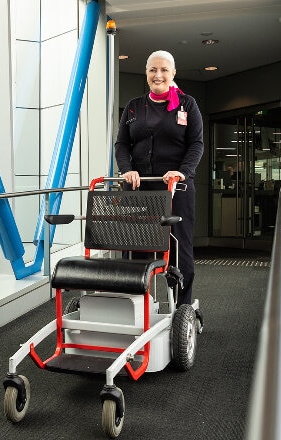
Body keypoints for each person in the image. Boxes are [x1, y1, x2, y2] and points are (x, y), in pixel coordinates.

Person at [114, 50, 204, 307]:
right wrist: (126, 169)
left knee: (179, 249)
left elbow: (196, 144)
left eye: (164, 70)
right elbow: (122, 144)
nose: (158, 75)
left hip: (177, 187)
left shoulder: (188, 105)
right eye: (153, 70)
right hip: (139, 186)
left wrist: (182, 171)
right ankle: (139, 305)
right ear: (146, 74)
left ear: (173, 73)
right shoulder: (133, 106)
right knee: (136, 247)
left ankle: (182, 308)